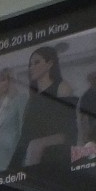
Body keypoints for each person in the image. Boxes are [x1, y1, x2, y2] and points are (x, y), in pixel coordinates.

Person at [14, 44, 77, 183]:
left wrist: (38, 144)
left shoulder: (62, 88)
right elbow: (25, 134)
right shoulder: (33, 97)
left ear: (50, 64)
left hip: (51, 164)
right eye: (30, 64)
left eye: (37, 62)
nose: (31, 67)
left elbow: (70, 132)